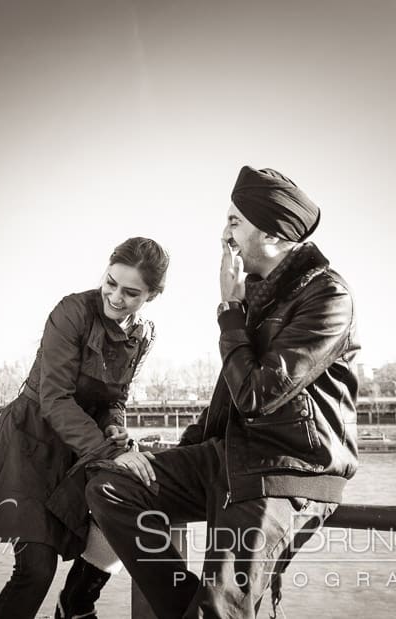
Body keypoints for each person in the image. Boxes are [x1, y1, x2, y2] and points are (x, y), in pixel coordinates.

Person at [86, 167, 360, 618]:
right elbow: (229, 397)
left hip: (286, 471)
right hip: (230, 460)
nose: (224, 235)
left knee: (220, 607)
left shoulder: (328, 297)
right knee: (112, 485)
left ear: (271, 233)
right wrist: (179, 456)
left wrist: (230, 310)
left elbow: (257, 394)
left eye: (234, 222)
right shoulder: (256, 297)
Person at [0, 236, 169, 619]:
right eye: (110, 282)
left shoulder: (143, 335)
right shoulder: (71, 311)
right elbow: (54, 399)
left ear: (153, 294)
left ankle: (75, 605)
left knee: (127, 510)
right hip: (30, 441)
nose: (115, 297)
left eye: (131, 293)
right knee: (36, 568)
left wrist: (116, 426)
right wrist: (114, 452)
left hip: (80, 446)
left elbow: (115, 397)